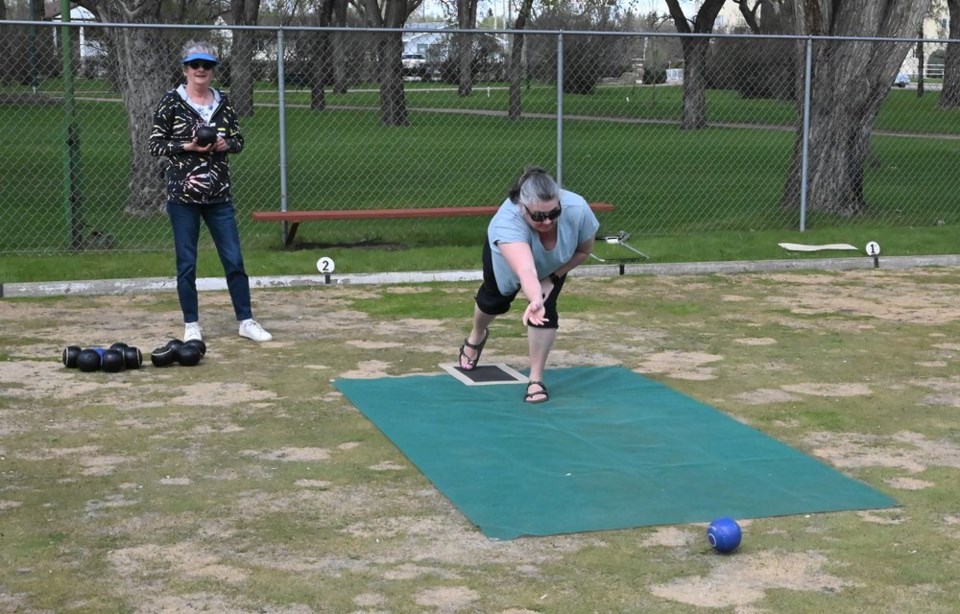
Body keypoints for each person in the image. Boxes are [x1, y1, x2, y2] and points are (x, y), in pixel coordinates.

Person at [149, 40, 272, 343]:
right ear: (185, 70)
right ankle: (192, 324)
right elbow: (155, 144)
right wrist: (187, 146)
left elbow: (239, 140)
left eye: (207, 65)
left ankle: (246, 320)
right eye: (195, 65)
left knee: (233, 259)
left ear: (213, 71)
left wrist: (225, 144)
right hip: (183, 196)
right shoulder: (171, 102)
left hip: (219, 195)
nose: (201, 70)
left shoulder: (223, 102)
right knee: (187, 262)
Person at [458, 167, 598, 403]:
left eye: (554, 213)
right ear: (522, 208)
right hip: (506, 260)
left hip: (554, 265)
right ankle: (476, 335)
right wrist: (534, 298)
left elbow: (583, 251)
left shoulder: (577, 208)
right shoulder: (507, 222)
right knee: (493, 302)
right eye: (539, 216)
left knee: (547, 311)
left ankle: (535, 379)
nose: (548, 221)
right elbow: (526, 269)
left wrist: (551, 280)